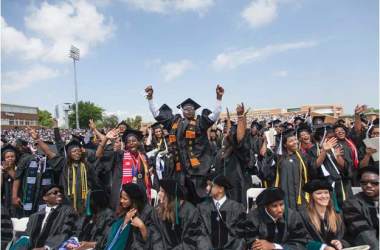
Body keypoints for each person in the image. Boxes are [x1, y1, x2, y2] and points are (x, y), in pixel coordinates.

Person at [145, 84, 224, 204]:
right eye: (186, 108)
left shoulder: (199, 122)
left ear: (195, 111)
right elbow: (157, 114)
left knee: (199, 201)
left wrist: (218, 98)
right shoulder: (174, 121)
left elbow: (213, 116)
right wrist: (150, 99)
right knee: (181, 201)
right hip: (179, 171)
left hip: (197, 172)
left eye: (191, 109)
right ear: (182, 110)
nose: (189, 110)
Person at [96, 129, 153, 209]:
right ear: (126, 145)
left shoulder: (143, 157)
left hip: (139, 197)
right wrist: (106, 138)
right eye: (128, 142)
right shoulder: (120, 155)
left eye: (134, 140)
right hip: (122, 196)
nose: (131, 143)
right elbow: (98, 155)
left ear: (139, 142)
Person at [236, 187, 309, 249]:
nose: (280, 210)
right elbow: (252, 243)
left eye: (281, 204)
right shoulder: (252, 218)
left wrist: (274, 246)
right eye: (274, 206)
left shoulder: (293, 217)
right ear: (266, 206)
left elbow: (301, 242)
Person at [152, 179, 207, 249]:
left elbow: (192, 240)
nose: (159, 193)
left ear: (171, 195)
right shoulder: (158, 210)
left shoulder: (190, 212)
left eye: (162, 191)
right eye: (159, 190)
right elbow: (156, 236)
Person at [307, 124, 353, 209]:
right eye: (329, 137)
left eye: (333, 137)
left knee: (346, 209)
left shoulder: (340, 146)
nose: (332, 139)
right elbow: (313, 167)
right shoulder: (313, 150)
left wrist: (338, 157)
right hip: (325, 186)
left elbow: (347, 168)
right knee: (329, 211)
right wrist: (324, 151)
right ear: (322, 137)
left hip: (342, 185)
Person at [197, 175, 245, 249]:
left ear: (221, 189)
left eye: (211, 185)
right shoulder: (201, 208)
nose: (207, 188)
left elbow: (240, 234)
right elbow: (200, 233)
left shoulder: (237, 208)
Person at [23, 184, 78, 250]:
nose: (59, 194)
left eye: (60, 192)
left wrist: (46, 247)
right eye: (55, 193)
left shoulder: (67, 212)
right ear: (45, 197)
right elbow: (27, 237)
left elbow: (65, 233)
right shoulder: (34, 217)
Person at [272, 129, 316, 210]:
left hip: (300, 195)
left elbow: (313, 168)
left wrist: (323, 151)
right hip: (285, 196)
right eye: (291, 141)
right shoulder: (279, 159)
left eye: (295, 139)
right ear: (285, 145)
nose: (295, 142)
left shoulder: (303, 157)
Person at [300, 179, 349, 250]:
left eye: (326, 192)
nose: (324, 196)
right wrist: (322, 247)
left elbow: (347, 236)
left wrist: (341, 243)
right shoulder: (303, 216)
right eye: (319, 193)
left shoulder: (338, 214)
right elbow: (302, 240)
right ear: (311, 196)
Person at [104, 183, 156, 249]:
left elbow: (152, 241)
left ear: (133, 199)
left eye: (125, 199)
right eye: (121, 197)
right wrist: (125, 222)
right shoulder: (123, 210)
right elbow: (115, 235)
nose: (121, 201)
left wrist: (141, 226)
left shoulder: (149, 212)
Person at [342, 165, 379, 249]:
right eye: (364, 183)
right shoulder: (352, 203)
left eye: (374, 183)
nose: (368, 185)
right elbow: (363, 233)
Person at [1, 144, 17, 216]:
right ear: (4, 159)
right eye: (7, 157)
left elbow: (18, 180)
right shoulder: (1, 170)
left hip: (16, 199)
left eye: (12, 156)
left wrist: (9, 170)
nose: (10, 158)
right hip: (5, 199)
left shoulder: (19, 168)